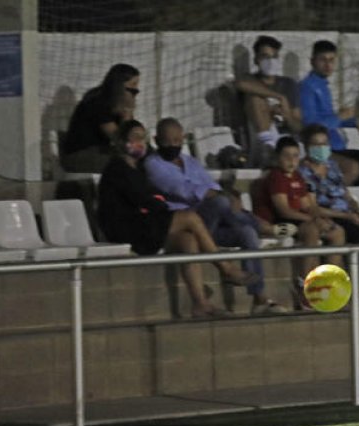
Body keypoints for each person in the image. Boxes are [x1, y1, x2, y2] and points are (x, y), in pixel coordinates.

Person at [98, 119, 256, 319]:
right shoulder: (118, 168)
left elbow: (149, 198)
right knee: (190, 218)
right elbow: (143, 200)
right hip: (126, 227)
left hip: (144, 224)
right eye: (136, 138)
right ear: (122, 142)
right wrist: (163, 206)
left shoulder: (137, 168)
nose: (141, 142)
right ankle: (225, 267)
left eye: (143, 138)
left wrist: (160, 205)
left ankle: (200, 303)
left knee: (187, 240)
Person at [145, 118, 291, 315]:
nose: (174, 146)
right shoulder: (153, 164)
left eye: (178, 141)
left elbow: (211, 185)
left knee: (246, 233)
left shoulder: (190, 162)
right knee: (221, 202)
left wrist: (227, 195)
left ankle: (260, 299)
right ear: (156, 140)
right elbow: (183, 189)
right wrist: (223, 196)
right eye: (168, 141)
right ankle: (262, 226)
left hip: (210, 225)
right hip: (184, 225)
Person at [252, 136, 347, 307]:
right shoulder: (276, 177)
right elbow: (283, 210)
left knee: (337, 231)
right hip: (281, 221)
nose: (291, 161)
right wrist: (313, 220)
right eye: (286, 156)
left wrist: (321, 218)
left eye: (295, 156)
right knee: (311, 230)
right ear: (277, 157)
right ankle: (304, 284)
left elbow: (307, 205)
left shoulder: (297, 176)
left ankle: (329, 281)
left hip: (300, 218)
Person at [299, 124, 359, 289]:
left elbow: (345, 194)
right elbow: (312, 207)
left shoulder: (332, 167)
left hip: (348, 213)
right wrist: (348, 217)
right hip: (330, 216)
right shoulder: (303, 172)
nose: (321, 148)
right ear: (306, 147)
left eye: (324, 144)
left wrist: (358, 210)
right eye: (316, 144)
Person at [299, 39, 359, 185]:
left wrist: (354, 122)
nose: (328, 64)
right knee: (356, 168)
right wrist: (339, 116)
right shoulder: (307, 88)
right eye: (323, 60)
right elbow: (311, 126)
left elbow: (328, 118)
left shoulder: (322, 85)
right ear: (312, 61)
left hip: (338, 146)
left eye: (331, 60)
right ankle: (332, 197)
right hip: (325, 148)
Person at [234, 35, 302, 164]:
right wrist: (278, 97)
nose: (270, 61)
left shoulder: (288, 84)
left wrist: (286, 114)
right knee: (255, 98)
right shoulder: (251, 80)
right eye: (265, 57)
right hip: (258, 139)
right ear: (256, 60)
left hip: (287, 138)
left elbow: (297, 125)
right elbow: (240, 84)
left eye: (274, 57)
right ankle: (268, 146)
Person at [61, 63, 140, 173]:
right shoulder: (98, 102)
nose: (136, 91)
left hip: (100, 150)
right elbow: (119, 139)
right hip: (79, 155)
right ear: (120, 85)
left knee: (140, 157)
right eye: (133, 85)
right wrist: (126, 115)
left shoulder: (116, 102)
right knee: (126, 163)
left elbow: (131, 138)